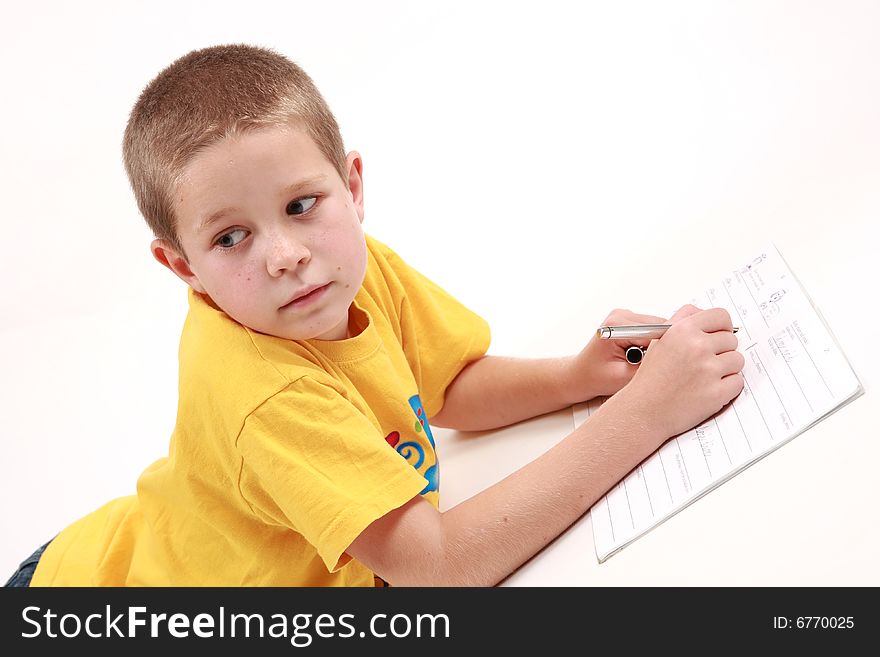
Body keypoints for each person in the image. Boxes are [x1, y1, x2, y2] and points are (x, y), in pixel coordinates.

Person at [7, 44, 744, 587]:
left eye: (301, 205)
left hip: (148, 540)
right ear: (182, 267)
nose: (286, 254)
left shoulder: (344, 268)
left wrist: (578, 378)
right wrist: (647, 414)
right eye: (232, 237)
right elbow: (440, 572)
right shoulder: (266, 394)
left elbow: (447, 388)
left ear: (350, 186)